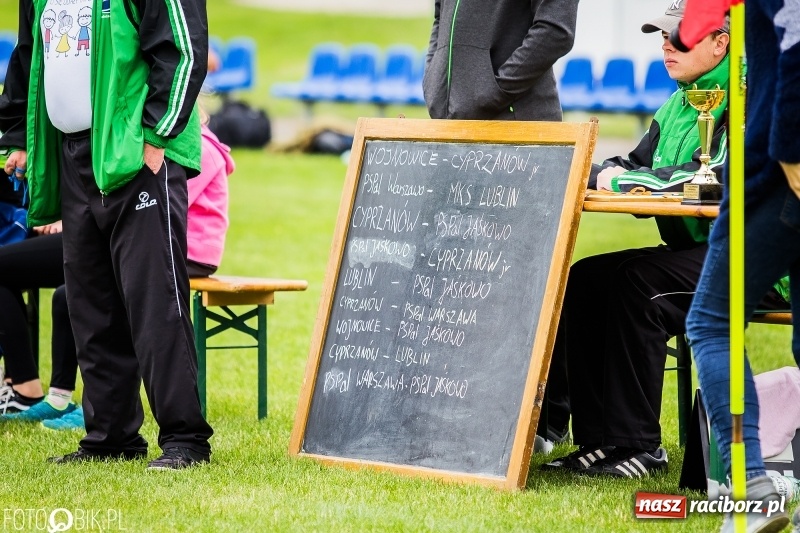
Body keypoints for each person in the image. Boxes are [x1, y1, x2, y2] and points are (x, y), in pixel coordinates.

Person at [0, 0, 213, 470]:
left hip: (134, 152)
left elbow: (183, 48)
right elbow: (29, 52)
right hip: (73, 153)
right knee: (89, 302)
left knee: (155, 301)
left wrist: (157, 134)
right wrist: (15, 133)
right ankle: (110, 437)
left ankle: (185, 439)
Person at [542, 1, 745, 477]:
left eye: (681, 36)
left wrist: (619, 182)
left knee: (637, 283)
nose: (667, 44)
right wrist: (594, 171)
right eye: (663, 35)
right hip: (695, 252)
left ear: (722, 41)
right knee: (587, 278)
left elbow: (714, 179)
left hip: (753, 258)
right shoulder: (679, 101)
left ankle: (637, 447)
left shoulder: (747, 94)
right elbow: (637, 167)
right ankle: (598, 443)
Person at [0, 123, 234, 431]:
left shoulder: (195, 148)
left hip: (183, 250)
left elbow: (161, 205)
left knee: (99, 292)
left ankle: (97, 406)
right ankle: (60, 397)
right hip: (136, 236)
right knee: (67, 295)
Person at [683, 0, 799, 530]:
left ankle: (748, 484)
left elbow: (795, 40)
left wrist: (791, 156)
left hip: (779, 163)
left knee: (710, 321)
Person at [422, 0, 579, 121]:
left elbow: (555, 32)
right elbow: (440, 16)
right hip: (447, 126)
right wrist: (433, 83)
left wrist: (493, 92)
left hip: (516, 126)